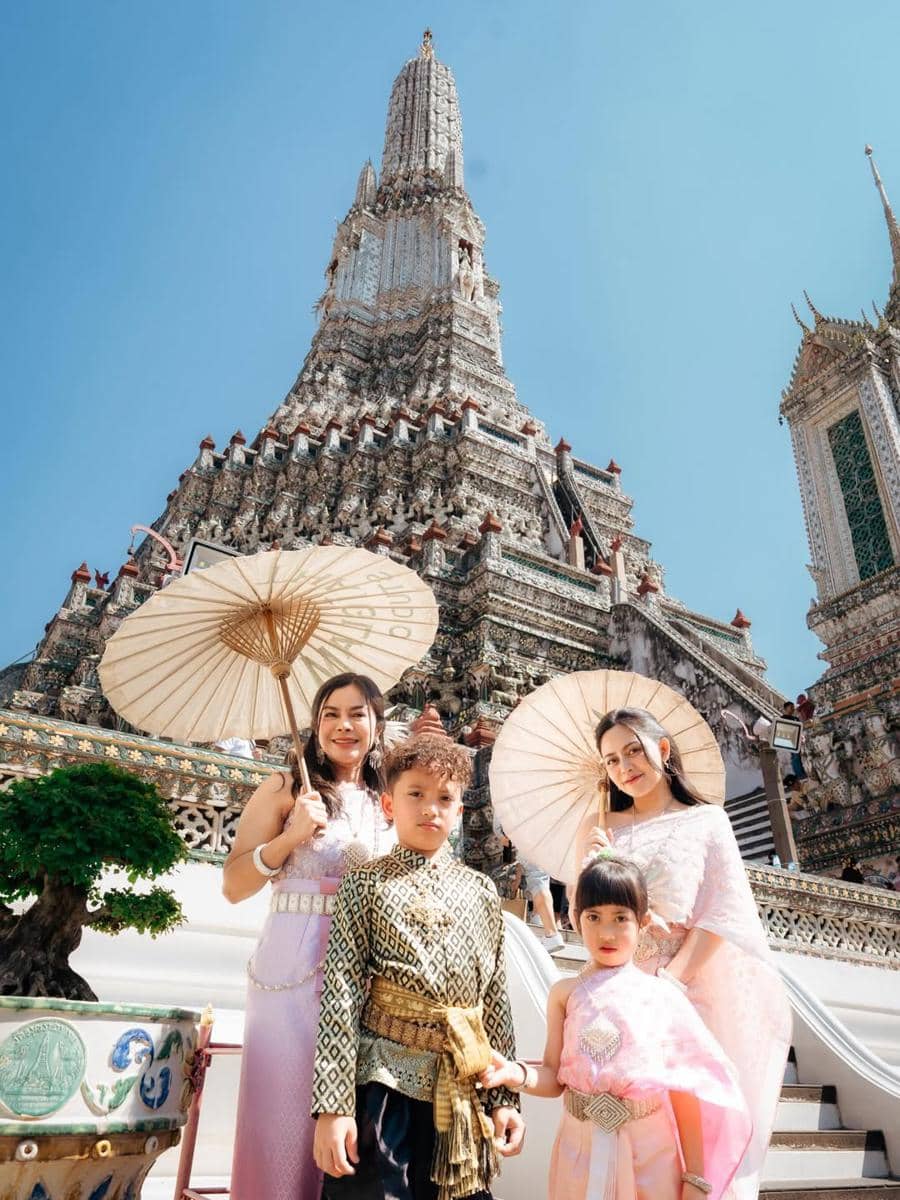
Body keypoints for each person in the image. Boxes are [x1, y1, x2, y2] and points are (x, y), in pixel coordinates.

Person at [581, 707, 791, 1200]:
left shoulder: (706, 820)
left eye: (634, 750)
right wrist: (592, 863)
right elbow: (584, 915)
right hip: (615, 995)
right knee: (627, 1143)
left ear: (663, 749)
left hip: (686, 993)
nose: (624, 767)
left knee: (689, 1138)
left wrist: (670, 983)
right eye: (611, 760)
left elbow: (723, 911)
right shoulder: (600, 826)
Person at [311, 735, 524, 1200]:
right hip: (385, 1082)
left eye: (445, 798)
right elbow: (341, 990)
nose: (431, 808)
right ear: (389, 803)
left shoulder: (482, 891)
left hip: (464, 1088)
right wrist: (333, 1106)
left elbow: (494, 999)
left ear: (461, 812)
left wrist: (505, 1098)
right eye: (416, 794)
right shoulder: (364, 883)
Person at [482, 853, 751, 1200]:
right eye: (594, 917)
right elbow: (553, 1075)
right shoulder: (564, 994)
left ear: (644, 921)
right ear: (577, 919)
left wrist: (695, 1178)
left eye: (620, 918)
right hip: (577, 1149)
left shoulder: (660, 995)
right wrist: (515, 1073)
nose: (606, 932)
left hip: (650, 1152)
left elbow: (683, 1090)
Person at [223, 672, 394, 1200]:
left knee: (355, 1121)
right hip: (293, 967)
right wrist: (292, 836)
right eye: (330, 715)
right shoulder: (285, 788)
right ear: (315, 725)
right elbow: (233, 885)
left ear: (377, 724)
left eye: (357, 714)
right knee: (285, 1112)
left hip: (368, 968)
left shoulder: (390, 799)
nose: (343, 726)